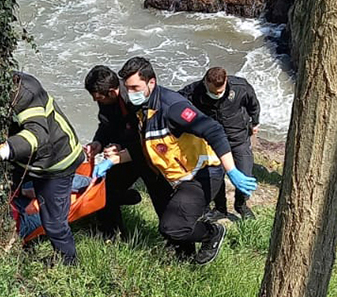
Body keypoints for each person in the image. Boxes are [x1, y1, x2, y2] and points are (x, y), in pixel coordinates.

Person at [105, 57, 257, 264]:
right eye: (127, 88)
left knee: (172, 227)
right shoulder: (143, 107)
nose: (131, 93)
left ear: (152, 82)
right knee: (171, 224)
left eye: (135, 87)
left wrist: (232, 170)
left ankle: (211, 232)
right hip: (173, 175)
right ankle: (184, 258)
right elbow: (149, 146)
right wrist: (115, 159)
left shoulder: (173, 107)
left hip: (201, 174)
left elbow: (213, 130)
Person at [0, 49, 85, 265]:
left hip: (55, 161)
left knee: (54, 222)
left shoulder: (24, 92)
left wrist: (3, 151)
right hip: (24, 158)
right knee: (2, 190)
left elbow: (37, 135)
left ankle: (68, 261)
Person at [83, 65, 173, 238]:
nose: (96, 101)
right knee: (107, 189)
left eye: (98, 98)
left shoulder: (136, 100)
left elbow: (149, 137)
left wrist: (121, 147)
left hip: (149, 154)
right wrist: (98, 142)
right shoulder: (107, 101)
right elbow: (107, 124)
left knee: (162, 200)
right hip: (125, 154)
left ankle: (177, 243)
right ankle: (113, 234)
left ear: (111, 92)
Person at [178, 67, 260, 220]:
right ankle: (220, 208)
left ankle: (241, 205)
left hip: (238, 138)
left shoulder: (240, 87)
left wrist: (254, 123)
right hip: (211, 142)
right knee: (214, 177)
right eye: (213, 92)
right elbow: (175, 104)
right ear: (206, 82)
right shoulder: (193, 92)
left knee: (245, 173)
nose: (217, 95)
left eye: (220, 92)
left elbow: (253, 105)